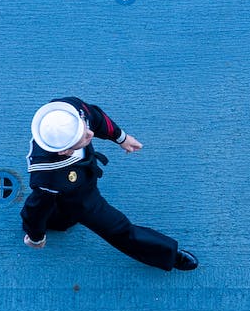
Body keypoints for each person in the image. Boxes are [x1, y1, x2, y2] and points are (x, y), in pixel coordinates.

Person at [20, 97, 198, 271]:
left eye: (83, 128)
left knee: (59, 216)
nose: (90, 134)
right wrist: (36, 236)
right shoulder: (47, 177)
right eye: (82, 139)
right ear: (64, 151)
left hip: (78, 178)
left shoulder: (69, 112)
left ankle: (57, 222)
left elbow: (96, 117)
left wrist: (121, 138)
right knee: (118, 229)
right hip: (80, 199)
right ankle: (169, 254)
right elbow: (36, 208)